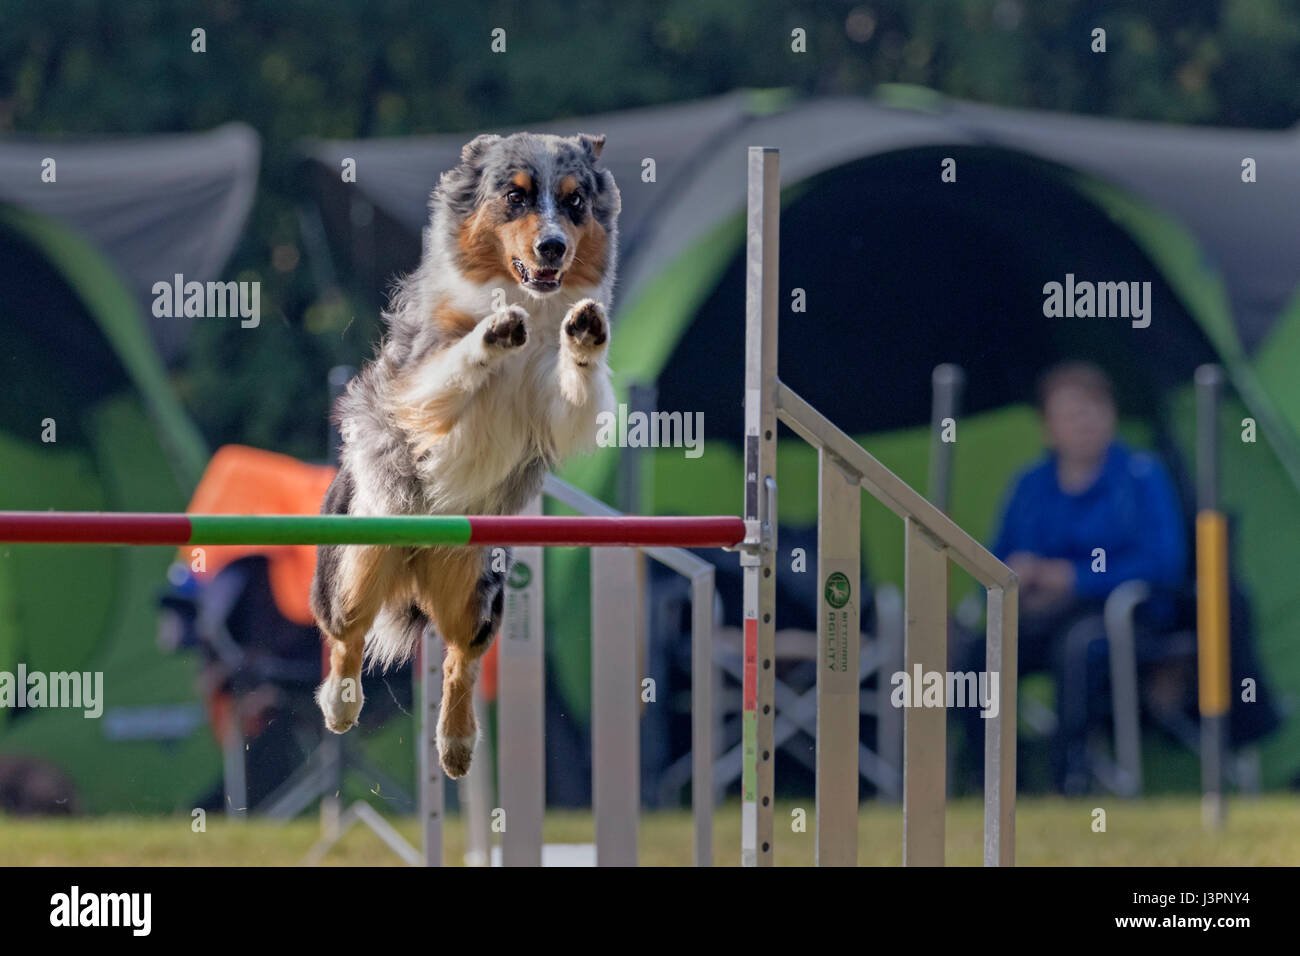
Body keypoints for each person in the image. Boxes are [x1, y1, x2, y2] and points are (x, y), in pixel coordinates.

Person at [956, 361, 1187, 793]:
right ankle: (996, 781)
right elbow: (989, 561)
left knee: (1079, 646)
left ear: (1112, 415)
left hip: (1124, 613)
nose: (1084, 421)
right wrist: (1016, 578)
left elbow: (1163, 562)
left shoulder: (1141, 475)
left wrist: (1075, 578)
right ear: (1048, 428)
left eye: (1093, 409)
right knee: (978, 652)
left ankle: (1070, 781)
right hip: (1040, 612)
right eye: (1071, 413)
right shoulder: (1029, 485)